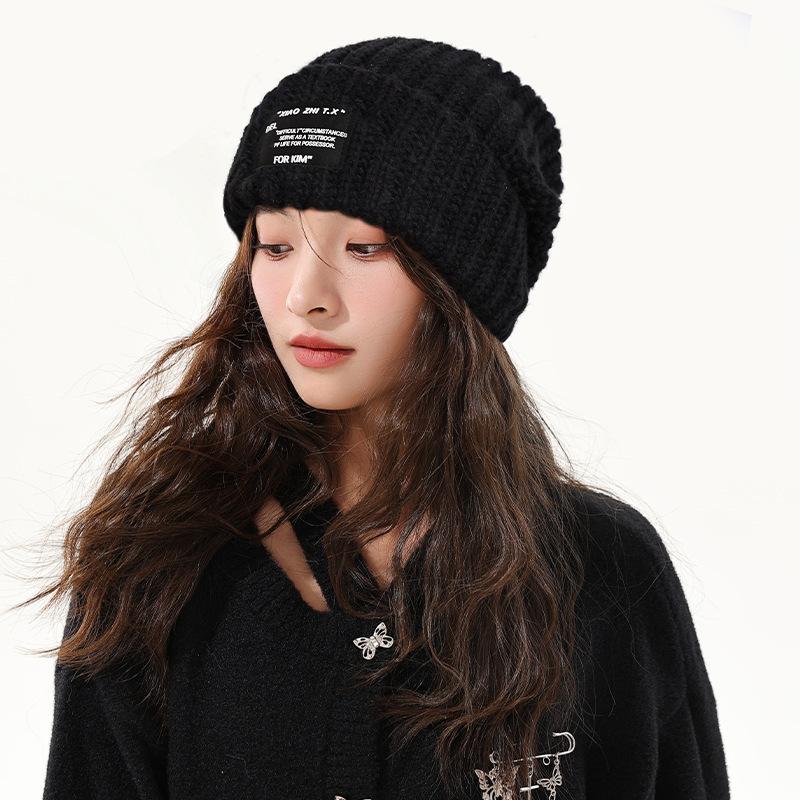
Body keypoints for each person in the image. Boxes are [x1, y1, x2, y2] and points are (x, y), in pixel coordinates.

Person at [31, 36, 730, 799]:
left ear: (463, 284)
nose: (305, 296)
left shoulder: (603, 569)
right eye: (275, 245)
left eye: (364, 247)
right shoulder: (160, 561)